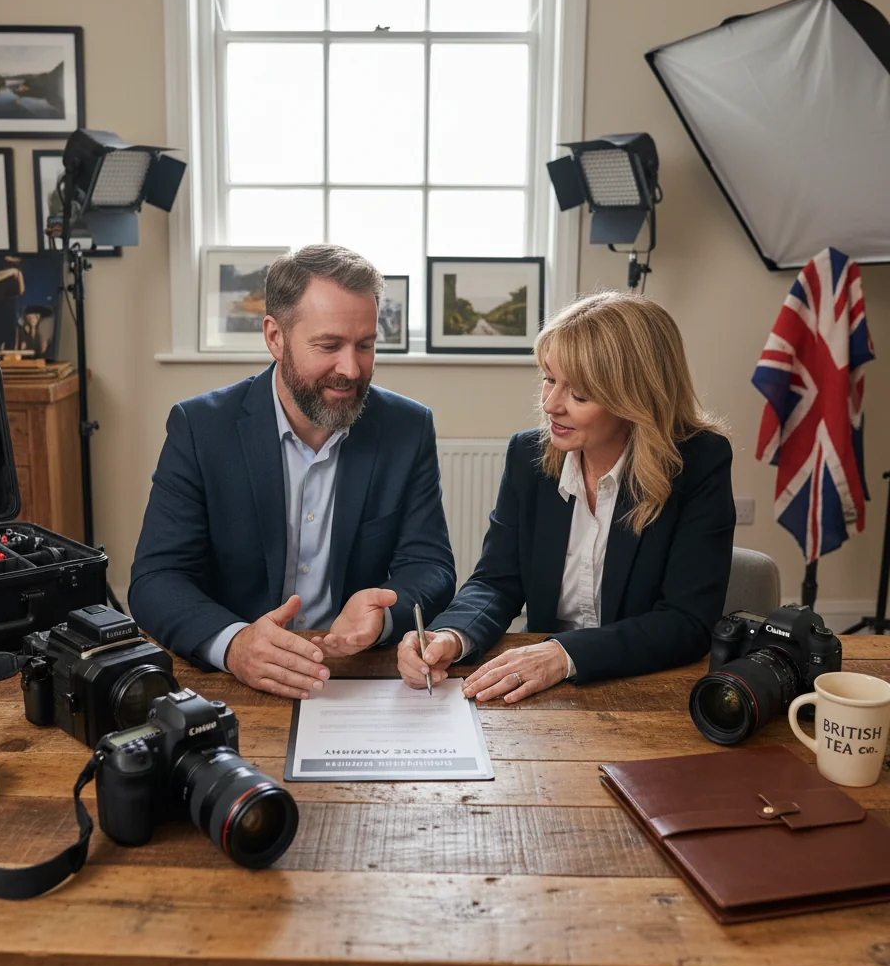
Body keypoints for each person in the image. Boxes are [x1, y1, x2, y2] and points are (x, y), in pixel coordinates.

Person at [130, 244, 456, 699]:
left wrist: (381, 617)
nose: (351, 368)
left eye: (365, 345)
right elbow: (156, 580)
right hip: (234, 683)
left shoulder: (408, 427)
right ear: (274, 337)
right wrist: (235, 644)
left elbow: (430, 565)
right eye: (329, 345)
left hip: (356, 678)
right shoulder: (201, 427)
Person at [398, 291, 735, 702]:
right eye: (549, 379)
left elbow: (687, 622)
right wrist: (452, 635)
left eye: (579, 394)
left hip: (642, 686)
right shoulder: (528, 455)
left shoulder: (699, 463)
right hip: (541, 688)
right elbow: (497, 581)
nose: (550, 404)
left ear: (635, 399)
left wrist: (563, 654)